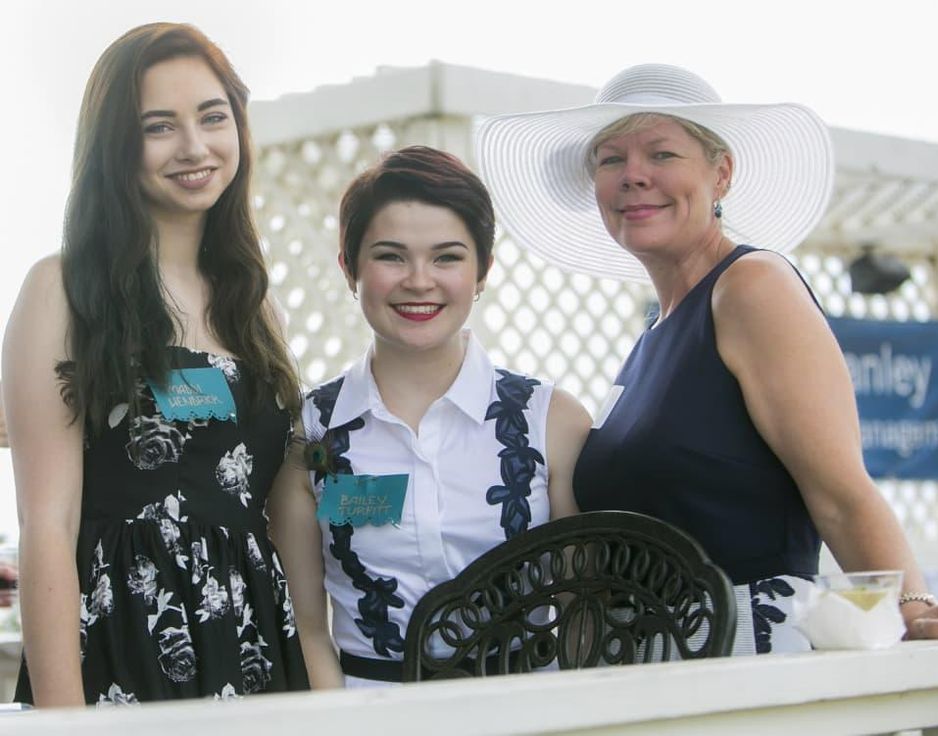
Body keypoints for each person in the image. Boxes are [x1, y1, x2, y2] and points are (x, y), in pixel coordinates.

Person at [476, 63, 938, 654]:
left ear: (721, 174)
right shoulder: (655, 333)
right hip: (653, 662)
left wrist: (913, 610)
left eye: (661, 154)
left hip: (743, 649)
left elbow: (842, 496)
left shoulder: (750, 287)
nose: (633, 175)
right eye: (611, 160)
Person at [2, 23, 310, 705]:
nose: (194, 146)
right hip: (125, 644)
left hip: (253, 645)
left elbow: (280, 509)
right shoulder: (61, 290)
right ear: (115, 144)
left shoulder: (255, 305)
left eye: (212, 117)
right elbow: (47, 524)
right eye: (159, 126)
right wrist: (66, 720)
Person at [269, 145, 591, 687]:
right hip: (371, 714)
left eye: (447, 258)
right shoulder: (308, 433)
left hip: (529, 711)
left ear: (483, 270)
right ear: (349, 268)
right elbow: (307, 629)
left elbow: (581, 610)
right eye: (391, 257)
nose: (419, 281)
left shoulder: (551, 421)